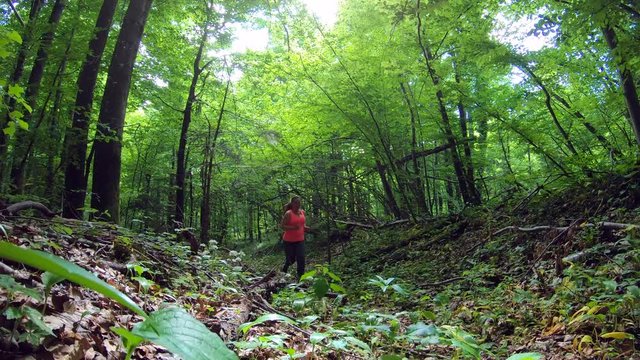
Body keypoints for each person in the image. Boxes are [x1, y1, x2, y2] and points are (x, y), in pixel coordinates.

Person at [281, 196, 310, 279]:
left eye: (299, 202)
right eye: (296, 202)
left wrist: (305, 228)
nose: (298, 204)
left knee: (301, 258)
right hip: (288, 241)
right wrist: (293, 228)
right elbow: (282, 226)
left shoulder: (302, 212)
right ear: (292, 204)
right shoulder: (288, 213)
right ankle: (284, 271)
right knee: (291, 260)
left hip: (300, 240)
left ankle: (301, 277)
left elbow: (302, 225)